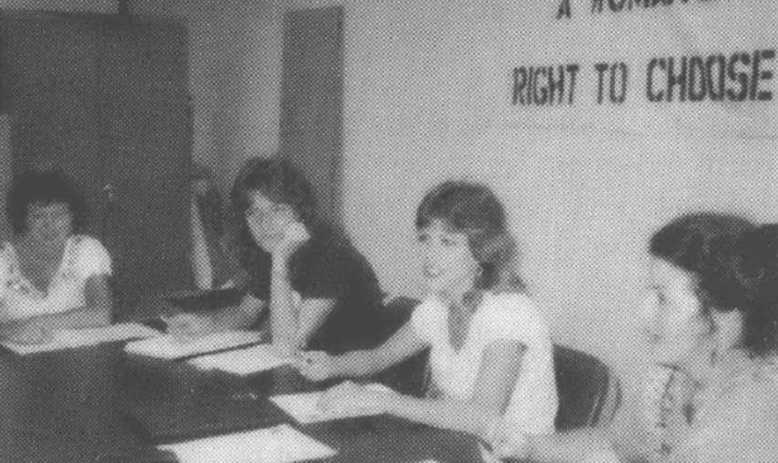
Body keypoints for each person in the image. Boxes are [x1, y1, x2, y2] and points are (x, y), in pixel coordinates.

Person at [487, 213, 778, 463]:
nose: (643, 315)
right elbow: (616, 442)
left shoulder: (753, 409)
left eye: (663, 299)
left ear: (723, 316)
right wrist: (529, 446)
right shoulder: (668, 382)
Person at [297, 180, 558, 438]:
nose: (430, 254)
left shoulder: (509, 313)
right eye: (425, 238)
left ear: (482, 250)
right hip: (460, 445)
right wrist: (332, 364)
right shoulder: (437, 306)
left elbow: (482, 417)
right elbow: (379, 357)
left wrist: (382, 401)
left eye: (448, 242)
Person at [166, 158, 384, 356]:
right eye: (253, 213)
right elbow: (245, 313)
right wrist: (206, 323)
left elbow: (287, 346)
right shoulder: (272, 250)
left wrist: (279, 264)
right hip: (311, 370)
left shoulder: (332, 256)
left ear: (300, 212)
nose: (264, 223)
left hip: (355, 381)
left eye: (277, 210)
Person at [0, 170, 112, 344]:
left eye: (59, 214)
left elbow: (101, 314)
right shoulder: (3, 261)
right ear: (24, 219)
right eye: (38, 216)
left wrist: (37, 323)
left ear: (72, 216)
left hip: (78, 358)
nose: (49, 225)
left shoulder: (86, 249)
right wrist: (8, 331)